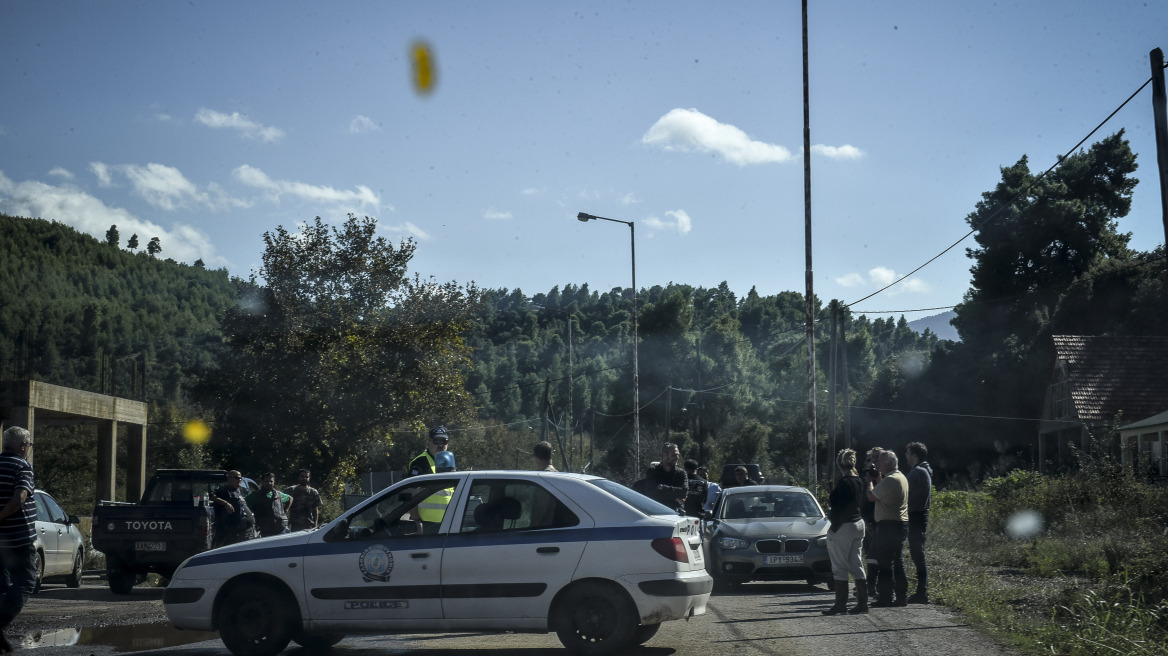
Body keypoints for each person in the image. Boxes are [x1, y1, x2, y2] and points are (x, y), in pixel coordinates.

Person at [0, 427, 37, 652]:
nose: (29, 449)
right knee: (25, 583)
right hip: (18, 540)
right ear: (23, 446)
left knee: (2, 587)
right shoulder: (22, 466)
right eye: (29, 445)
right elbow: (20, 497)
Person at [822, 448, 867, 615]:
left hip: (844, 526)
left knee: (839, 566)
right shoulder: (859, 481)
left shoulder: (843, 483)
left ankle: (840, 604)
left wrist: (833, 528)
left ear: (839, 465)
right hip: (858, 523)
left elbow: (837, 507)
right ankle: (863, 603)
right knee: (856, 563)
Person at [866, 450, 909, 607]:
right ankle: (901, 596)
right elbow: (883, 494)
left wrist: (870, 481)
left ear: (888, 463)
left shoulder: (891, 479)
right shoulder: (900, 477)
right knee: (896, 562)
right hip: (899, 524)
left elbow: (871, 496)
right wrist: (878, 480)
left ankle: (885, 597)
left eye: (879, 462)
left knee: (885, 563)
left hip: (889, 525)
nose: (876, 464)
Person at [407, 426, 455, 528]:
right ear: (428, 443)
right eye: (436, 441)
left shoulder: (448, 462)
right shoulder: (421, 462)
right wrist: (416, 520)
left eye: (444, 441)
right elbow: (411, 493)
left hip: (447, 524)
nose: (441, 445)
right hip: (427, 525)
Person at [905, 441, 933, 604]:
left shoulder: (917, 472)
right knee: (917, 554)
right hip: (920, 516)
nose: (906, 457)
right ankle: (922, 591)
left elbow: (902, 494)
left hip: (915, 516)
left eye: (908, 453)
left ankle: (922, 592)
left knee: (918, 554)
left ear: (914, 455)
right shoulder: (925, 470)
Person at [859, 446, 884, 598]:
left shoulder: (887, 478)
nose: (872, 462)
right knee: (870, 556)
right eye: (870, 459)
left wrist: (877, 478)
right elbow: (861, 502)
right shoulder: (864, 479)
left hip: (881, 521)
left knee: (881, 556)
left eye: (876, 458)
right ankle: (871, 585)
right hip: (867, 521)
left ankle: (880, 586)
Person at [210, 470, 254, 546]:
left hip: (247, 529)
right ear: (229, 479)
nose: (239, 480)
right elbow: (211, 496)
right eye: (237, 478)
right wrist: (226, 504)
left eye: (240, 478)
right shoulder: (224, 490)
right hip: (235, 531)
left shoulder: (237, 490)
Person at [246, 473, 292, 537]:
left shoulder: (278, 494)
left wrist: (285, 510)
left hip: (282, 528)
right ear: (262, 482)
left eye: (271, 481)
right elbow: (243, 504)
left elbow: (290, 499)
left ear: (274, 482)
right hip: (266, 530)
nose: (269, 483)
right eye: (266, 481)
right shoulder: (255, 495)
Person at [645, 443, 688, 511]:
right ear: (664, 455)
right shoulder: (653, 471)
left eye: (678, 455)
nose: (677, 458)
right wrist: (675, 498)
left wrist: (662, 487)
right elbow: (651, 492)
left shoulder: (681, 473)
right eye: (674, 455)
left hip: (675, 513)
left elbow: (683, 493)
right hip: (655, 512)